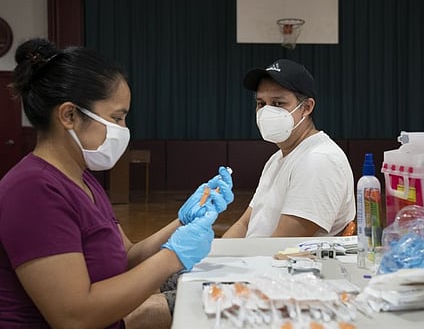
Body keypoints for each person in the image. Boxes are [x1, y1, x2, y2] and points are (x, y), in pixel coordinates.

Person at [0, 38, 233, 328]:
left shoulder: (81, 179)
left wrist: (183, 223)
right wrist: (173, 258)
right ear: (69, 115)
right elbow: (74, 316)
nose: (123, 130)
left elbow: (125, 257)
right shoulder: (33, 190)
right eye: (117, 118)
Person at [223, 59, 355, 238]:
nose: (266, 112)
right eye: (261, 104)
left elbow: (283, 245)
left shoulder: (319, 160)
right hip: (253, 258)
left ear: (306, 107)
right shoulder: (277, 158)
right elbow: (245, 223)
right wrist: (218, 253)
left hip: (275, 263)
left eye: (278, 104)